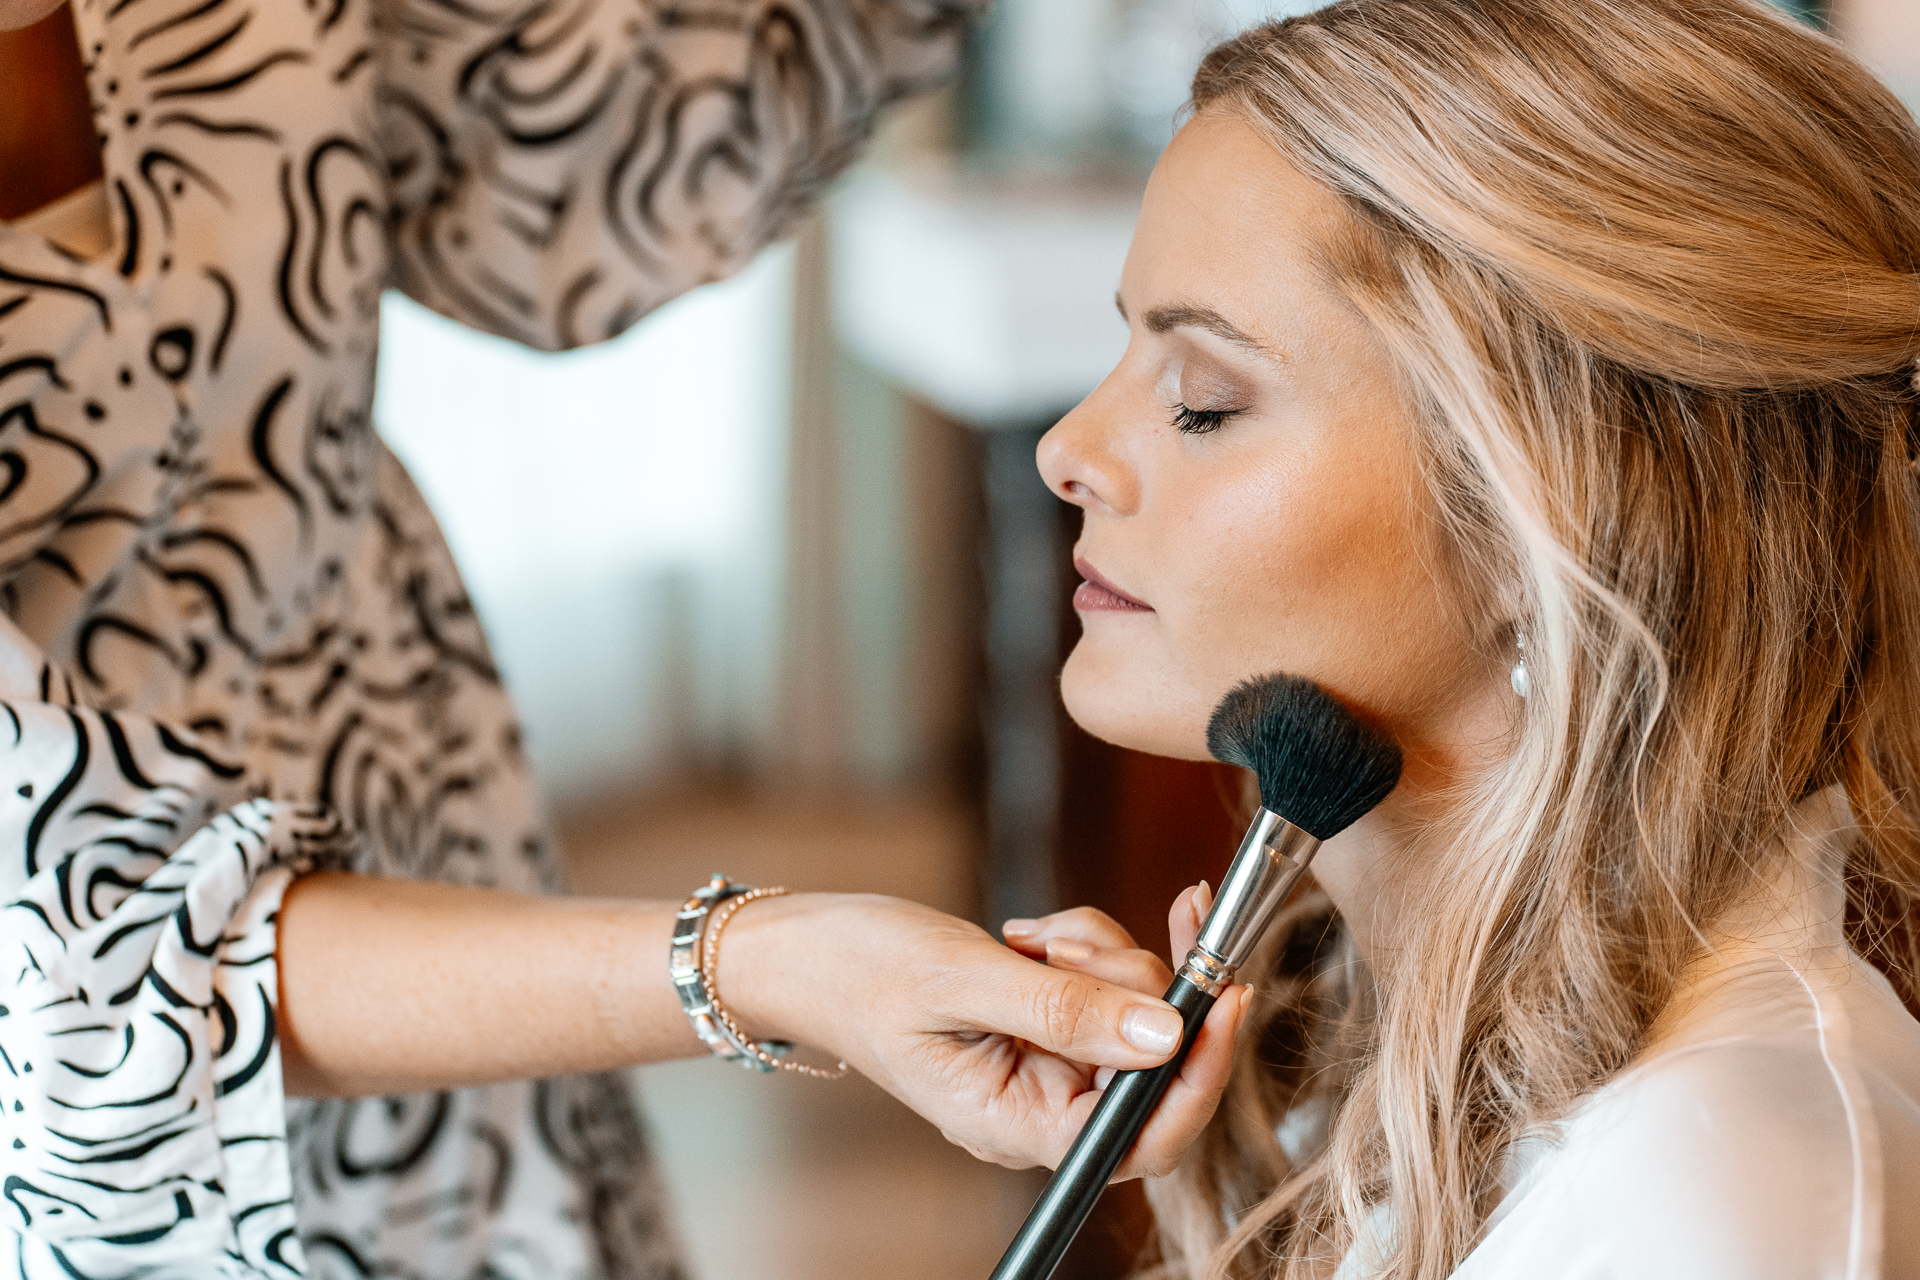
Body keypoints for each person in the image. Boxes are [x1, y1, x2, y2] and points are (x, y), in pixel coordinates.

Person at [0, 0, 1254, 1274]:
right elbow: (79, 950)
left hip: (455, 884)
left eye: (1209, 400)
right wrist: (771, 962)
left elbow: (565, 188)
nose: (1064, 455)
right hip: (81, 1120)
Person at [998, 1, 1920, 1277]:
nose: (1068, 451)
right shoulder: (1389, 1040)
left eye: (1202, 402)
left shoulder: (1713, 1192)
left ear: (1551, 516)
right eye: (1123, 349)